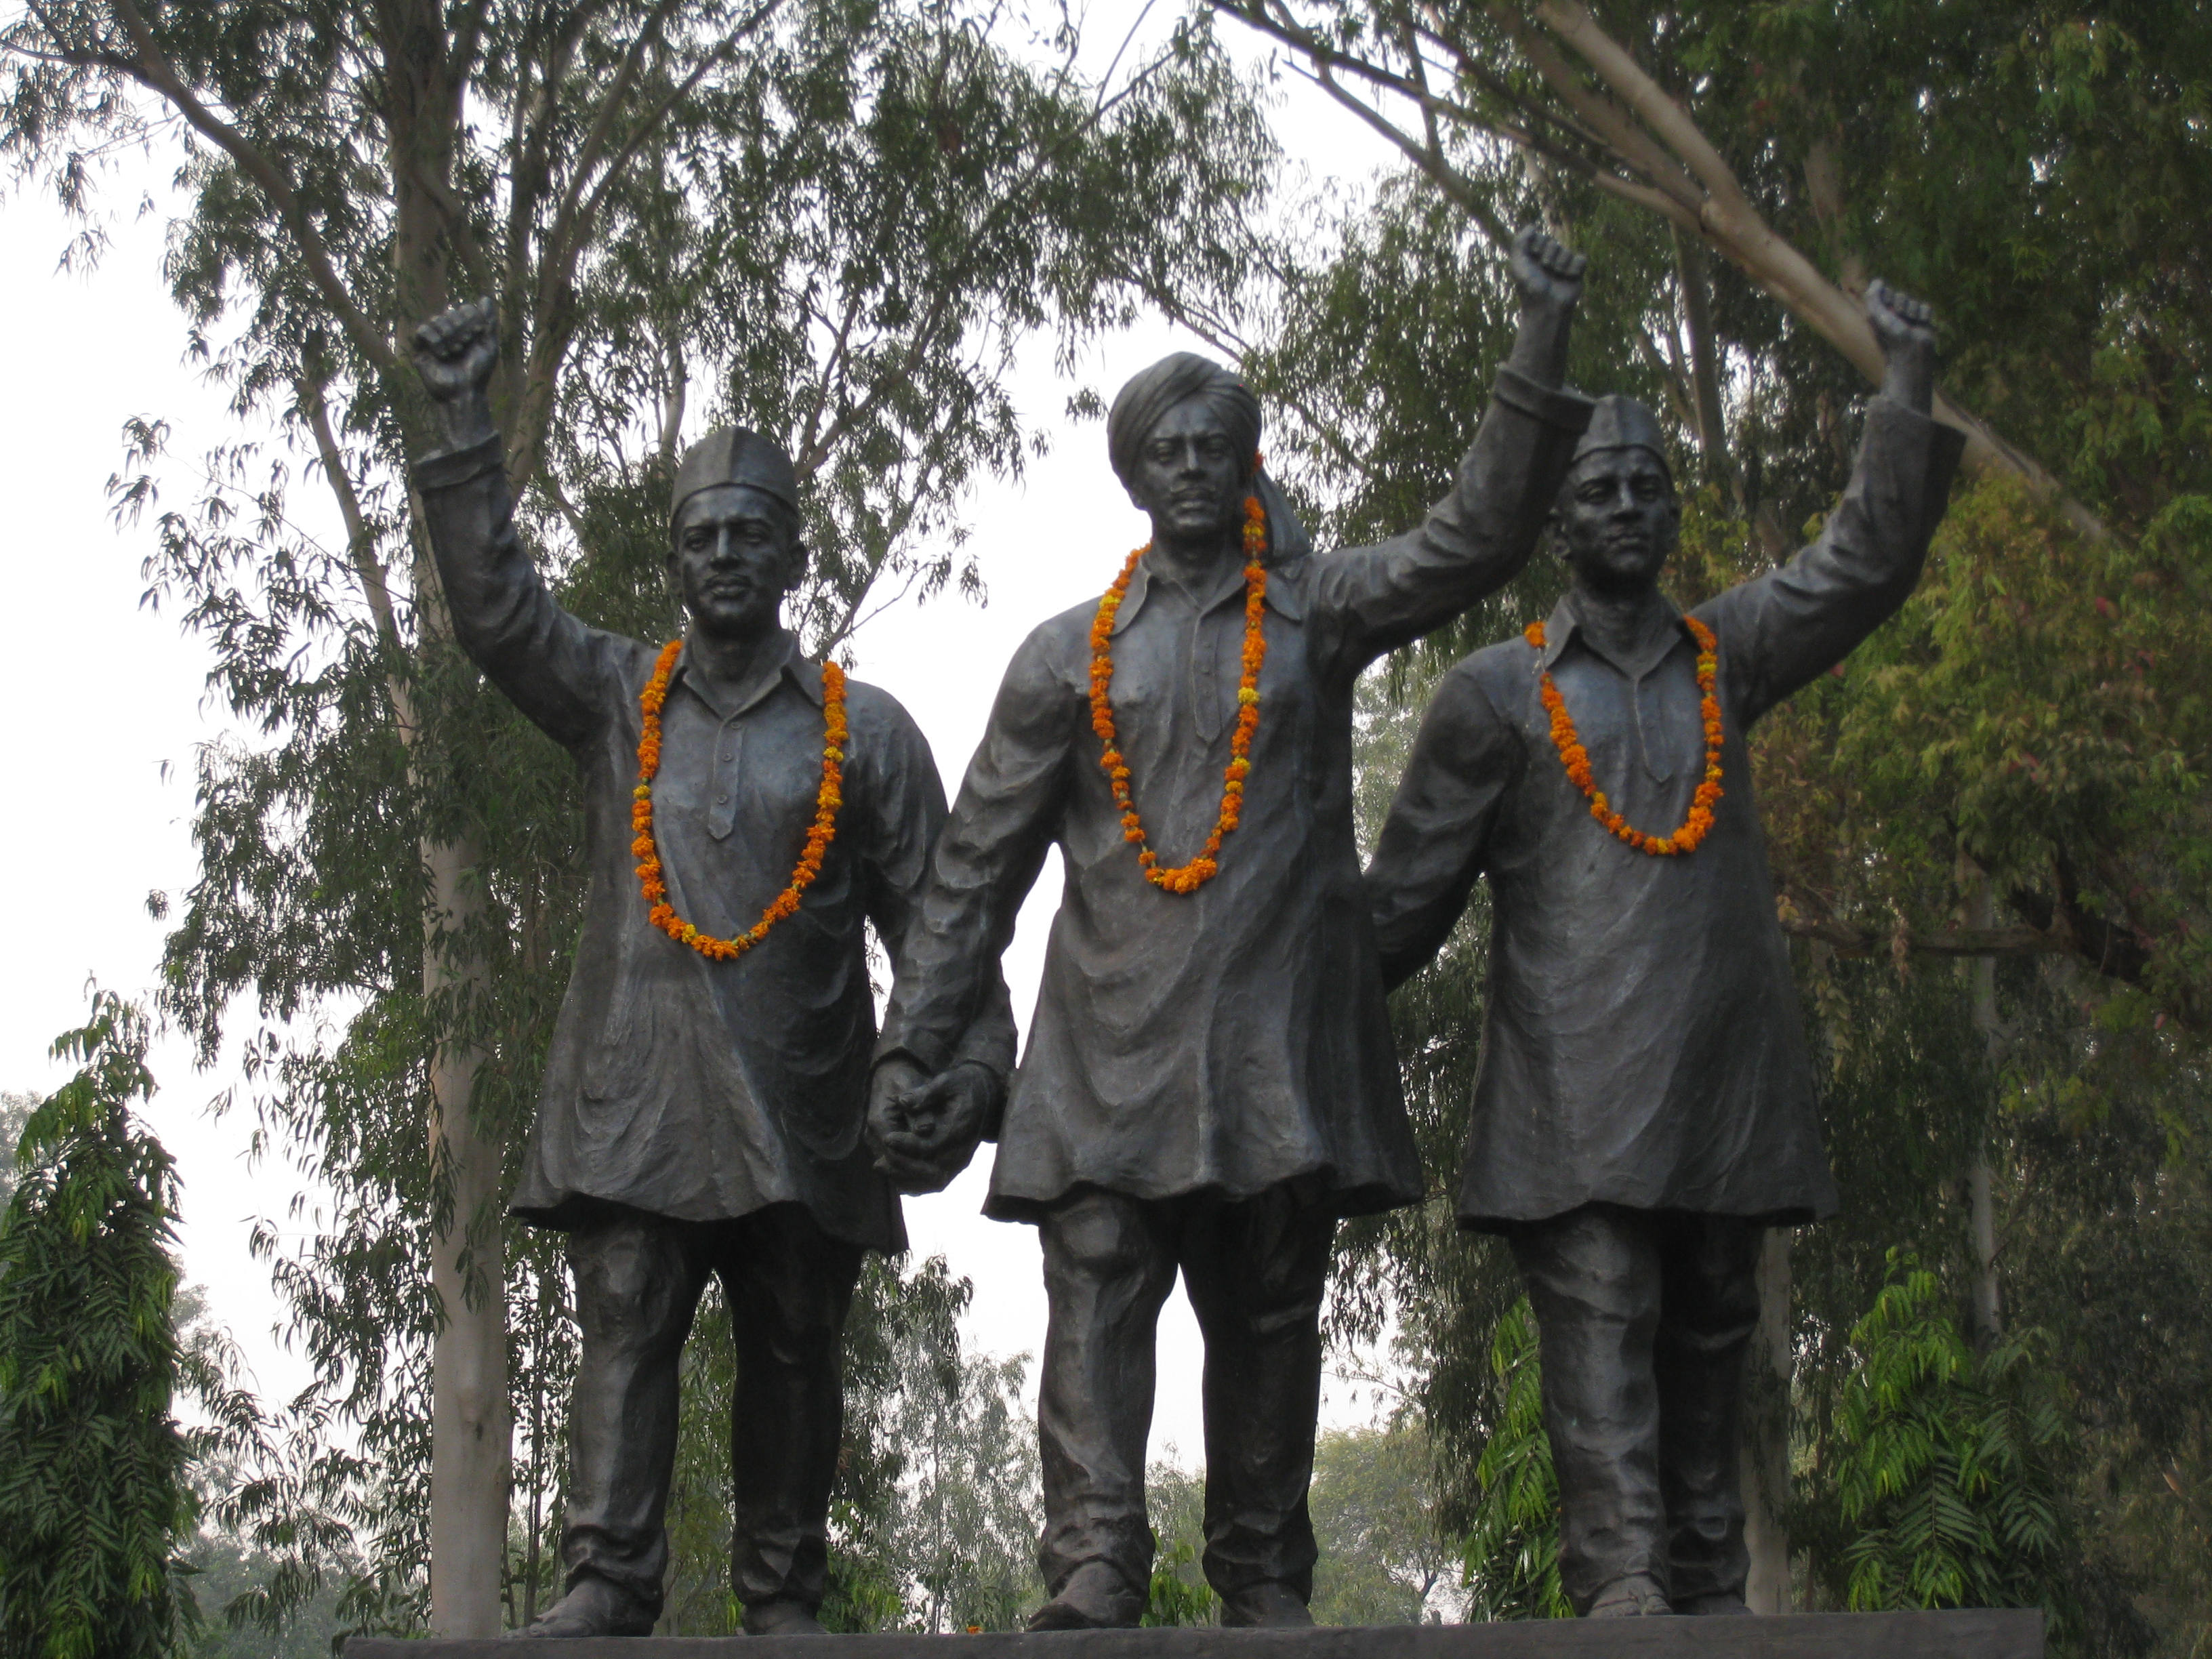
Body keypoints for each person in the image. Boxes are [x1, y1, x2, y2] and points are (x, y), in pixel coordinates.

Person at [867, 228, 1595, 1629]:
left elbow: (1473, 539)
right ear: (1136, 474)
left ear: (1245, 465)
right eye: (1170, 449)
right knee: (1094, 1304)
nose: (1195, 466)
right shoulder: (1064, 653)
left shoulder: (1315, 616)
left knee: (1268, 1325)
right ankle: (1092, 1564)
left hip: (1273, 1049)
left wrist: (1538, 344)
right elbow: (970, 876)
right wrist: (913, 1053)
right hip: (1104, 1053)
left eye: (1219, 445)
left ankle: (1265, 1575)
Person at [408, 298, 1013, 1638]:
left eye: (751, 534)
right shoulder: (619, 696)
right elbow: (499, 614)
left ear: (797, 554)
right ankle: (608, 1581)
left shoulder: (872, 735)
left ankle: (784, 1593)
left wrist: (970, 1080)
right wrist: (462, 427)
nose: (726, 554)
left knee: (796, 1336)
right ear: (675, 563)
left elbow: (947, 930)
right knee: (624, 1316)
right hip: (639, 1089)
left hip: (808, 1096)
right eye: (702, 538)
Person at [1363, 281, 1963, 1616]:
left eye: (1647, 487)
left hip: (1721, 1073)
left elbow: (1863, 560)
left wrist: (1904, 390)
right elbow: (1397, 909)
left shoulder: (1726, 655)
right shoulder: (1495, 698)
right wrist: (1259, 958)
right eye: (1598, 491)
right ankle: (1621, 1582)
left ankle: (1704, 1578)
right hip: (1573, 1095)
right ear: (1556, 523)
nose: (1626, 507)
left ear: (1668, 510)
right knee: (1598, 1323)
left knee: (1711, 1327)